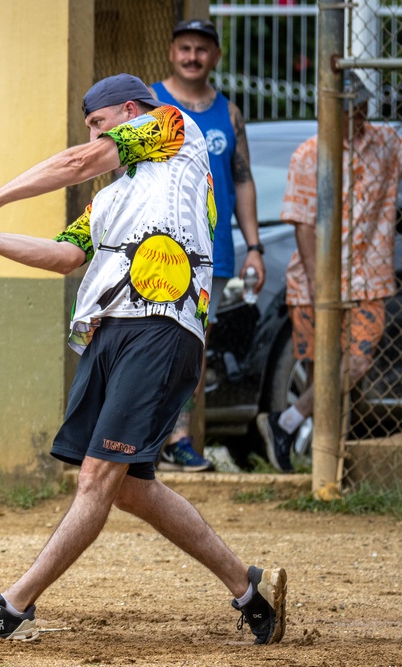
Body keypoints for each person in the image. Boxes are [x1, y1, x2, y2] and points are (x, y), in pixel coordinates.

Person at [0, 73, 286, 645]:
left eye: (97, 124)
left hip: (162, 323)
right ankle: (249, 589)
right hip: (109, 331)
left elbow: (75, 162)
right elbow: (66, 255)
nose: (94, 139)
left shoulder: (172, 127)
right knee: (126, 487)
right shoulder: (115, 196)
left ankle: (12, 607)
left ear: (127, 111)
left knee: (96, 477)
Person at [256, 72, 402, 473]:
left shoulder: (387, 144)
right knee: (322, 369)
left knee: (355, 364)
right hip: (316, 281)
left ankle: (284, 421)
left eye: (362, 105)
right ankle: (325, 462)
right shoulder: (309, 154)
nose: (358, 114)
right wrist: (323, 283)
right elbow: (303, 222)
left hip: (368, 276)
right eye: (348, 106)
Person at [151, 19, 266, 472]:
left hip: (213, 252)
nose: (193, 56)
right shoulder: (151, 103)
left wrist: (254, 245)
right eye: (185, 48)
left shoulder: (229, 113)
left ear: (215, 57)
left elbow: (242, 179)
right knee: (153, 341)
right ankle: (142, 438)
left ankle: (176, 438)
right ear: (172, 52)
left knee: (192, 349)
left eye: (202, 49)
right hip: (158, 248)